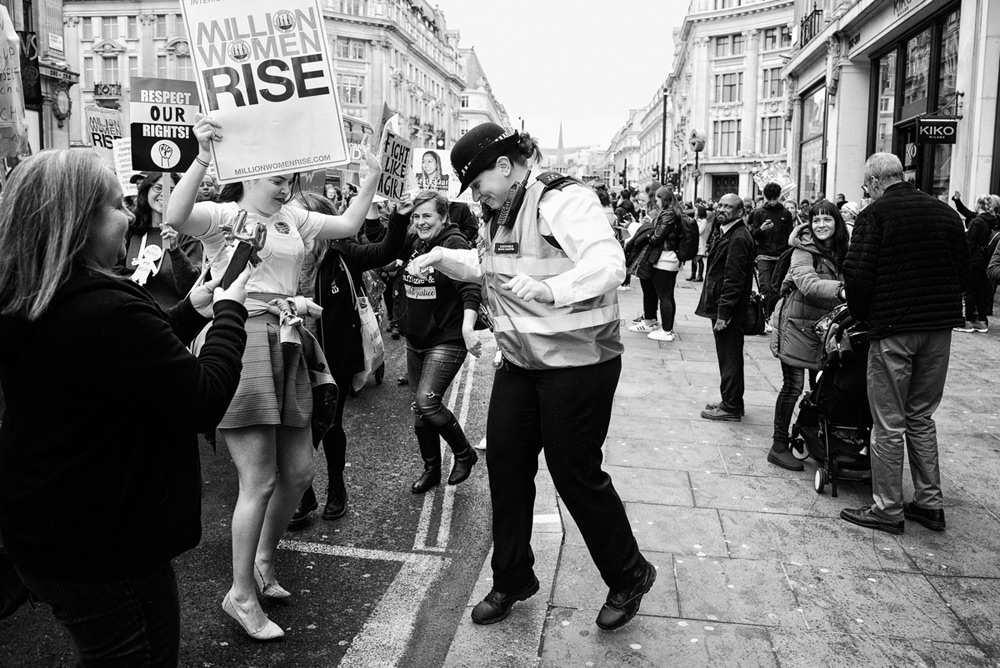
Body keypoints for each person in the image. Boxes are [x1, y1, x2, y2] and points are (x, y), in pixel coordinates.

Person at [0, 149, 251, 666]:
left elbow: (117, 367)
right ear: (80, 221)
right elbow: (200, 399)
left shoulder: (33, 295)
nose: (132, 216)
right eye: (117, 205)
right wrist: (230, 314)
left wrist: (188, 313)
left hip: (45, 531)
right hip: (102, 546)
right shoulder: (107, 310)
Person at [410, 122, 654, 631]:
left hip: (579, 364)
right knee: (505, 462)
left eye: (478, 184)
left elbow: (611, 263)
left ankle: (629, 575)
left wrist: (555, 291)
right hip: (523, 363)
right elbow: (490, 269)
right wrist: (441, 258)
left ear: (505, 166)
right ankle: (513, 578)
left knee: (573, 472)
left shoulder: (562, 200)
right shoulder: (501, 213)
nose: (477, 196)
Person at [164, 114, 382, 640]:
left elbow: (349, 226)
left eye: (290, 180)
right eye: (276, 179)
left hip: (288, 342)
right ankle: (240, 594)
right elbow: (175, 212)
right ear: (247, 174)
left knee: (301, 470)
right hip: (241, 342)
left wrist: (371, 176)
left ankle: (263, 561)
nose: (286, 187)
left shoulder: (293, 218)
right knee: (257, 480)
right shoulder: (220, 215)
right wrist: (199, 155)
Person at [840, 153, 969, 535]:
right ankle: (930, 504)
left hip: (895, 328)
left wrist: (862, 316)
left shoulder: (875, 215)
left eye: (866, 186)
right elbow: (964, 270)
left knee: (889, 421)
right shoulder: (946, 213)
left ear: (876, 182)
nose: (866, 192)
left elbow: (857, 277)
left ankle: (888, 508)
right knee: (921, 416)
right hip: (939, 327)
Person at [287, 192, 409, 524]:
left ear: (318, 219)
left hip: (333, 356)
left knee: (330, 424)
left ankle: (337, 488)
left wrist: (398, 215)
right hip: (291, 352)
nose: (293, 222)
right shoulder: (284, 251)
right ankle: (305, 493)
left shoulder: (343, 254)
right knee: (297, 427)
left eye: (300, 216)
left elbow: (386, 251)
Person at [399, 190, 482, 493]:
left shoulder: (452, 243)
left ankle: (464, 453)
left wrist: (468, 328)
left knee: (427, 402)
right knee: (419, 412)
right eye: (416, 216)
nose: (420, 222)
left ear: (443, 217)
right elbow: (380, 241)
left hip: (445, 338)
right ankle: (431, 469)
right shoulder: (415, 241)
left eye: (427, 216)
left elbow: (471, 287)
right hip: (415, 338)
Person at [767, 201, 849, 470]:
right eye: (816, 221)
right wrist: (843, 290)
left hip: (824, 329)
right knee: (793, 386)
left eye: (827, 220)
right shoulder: (803, 250)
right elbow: (808, 284)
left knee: (820, 387)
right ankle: (778, 446)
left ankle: (810, 433)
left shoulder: (842, 250)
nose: (821, 225)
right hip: (795, 326)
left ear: (836, 223)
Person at [697, 193, 754, 422]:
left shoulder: (738, 237)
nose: (721, 209)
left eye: (728, 207)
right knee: (729, 356)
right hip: (724, 306)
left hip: (729, 310)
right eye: (720, 205)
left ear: (739, 212)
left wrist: (724, 314)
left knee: (730, 356)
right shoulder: (727, 232)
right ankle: (731, 401)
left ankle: (730, 406)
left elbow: (734, 280)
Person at [121, 171, 202, 309]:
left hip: (171, 320)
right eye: (158, 188)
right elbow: (112, 269)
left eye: (172, 190)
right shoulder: (130, 229)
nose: (164, 194)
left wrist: (175, 251)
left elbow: (190, 288)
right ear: (146, 192)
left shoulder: (189, 233)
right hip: (133, 314)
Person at [748, 182, 795, 325]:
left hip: (780, 256)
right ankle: (765, 317)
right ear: (765, 196)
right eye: (770, 198)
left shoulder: (785, 213)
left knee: (778, 290)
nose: (772, 201)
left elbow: (789, 236)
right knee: (766, 288)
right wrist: (761, 229)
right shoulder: (758, 213)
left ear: (779, 196)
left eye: (775, 198)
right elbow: (753, 235)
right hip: (763, 255)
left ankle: (772, 316)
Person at [643, 186, 683, 342]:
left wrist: (648, 234)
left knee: (665, 296)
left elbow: (657, 238)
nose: (656, 202)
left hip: (666, 258)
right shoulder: (673, 213)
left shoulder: (668, 214)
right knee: (667, 295)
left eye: (658, 199)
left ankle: (667, 330)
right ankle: (667, 328)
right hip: (669, 258)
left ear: (664, 199)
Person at [953, 195, 997, 334]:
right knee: (981, 290)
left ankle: (968, 321)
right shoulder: (992, 221)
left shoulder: (977, 222)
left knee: (970, 290)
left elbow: (969, 244)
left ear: (978, 206)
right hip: (986, 261)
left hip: (974, 260)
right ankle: (982, 321)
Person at [689, 204, 710, 282]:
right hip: (694, 241)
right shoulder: (695, 219)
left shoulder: (704, 221)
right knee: (693, 258)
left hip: (700, 241)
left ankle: (700, 275)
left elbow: (700, 231)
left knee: (699, 259)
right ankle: (693, 274)